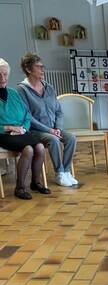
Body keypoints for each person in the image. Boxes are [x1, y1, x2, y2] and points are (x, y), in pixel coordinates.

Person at [17, 53, 78, 187]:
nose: (42, 69)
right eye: (38, 67)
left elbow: (59, 112)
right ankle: (59, 173)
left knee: (71, 138)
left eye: (43, 66)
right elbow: (28, 117)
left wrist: (58, 128)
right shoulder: (22, 90)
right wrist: (49, 130)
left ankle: (66, 171)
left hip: (54, 129)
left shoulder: (49, 88)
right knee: (54, 140)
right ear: (28, 69)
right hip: (35, 131)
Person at [0, 58, 50, 199]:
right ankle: (20, 187)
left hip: (21, 132)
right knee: (28, 149)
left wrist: (22, 128)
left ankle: (35, 182)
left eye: (5, 74)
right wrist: (8, 128)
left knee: (40, 147)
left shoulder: (13, 93)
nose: (2, 78)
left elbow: (27, 115)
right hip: (4, 134)